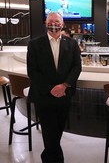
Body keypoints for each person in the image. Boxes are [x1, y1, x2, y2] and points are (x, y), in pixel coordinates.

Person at [27, 12, 82, 163]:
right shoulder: (34, 44)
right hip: (43, 95)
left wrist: (64, 86)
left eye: (57, 21)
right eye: (51, 21)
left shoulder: (72, 44)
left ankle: (47, 157)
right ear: (46, 23)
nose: (54, 24)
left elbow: (77, 67)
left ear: (62, 24)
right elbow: (32, 71)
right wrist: (51, 88)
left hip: (64, 94)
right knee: (48, 131)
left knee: (57, 130)